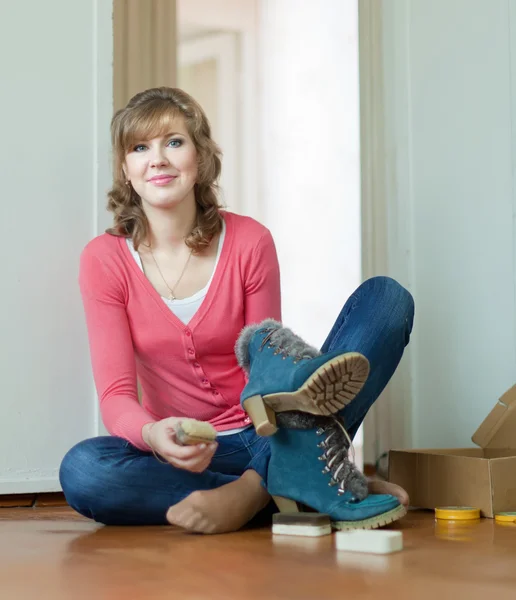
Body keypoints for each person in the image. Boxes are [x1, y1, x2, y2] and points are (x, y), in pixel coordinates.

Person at [60, 87, 413, 534]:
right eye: (140, 147)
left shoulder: (249, 242)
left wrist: (254, 469)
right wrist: (154, 435)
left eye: (174, 141)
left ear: (200, 156)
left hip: (269, 432)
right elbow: (116, 396)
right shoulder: (103, 259)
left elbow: (264, 373)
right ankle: (309, 481)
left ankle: (253, 490)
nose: (158, 159)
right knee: (85, 470)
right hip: (187, 450)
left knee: (387, 300)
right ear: (126, 169)